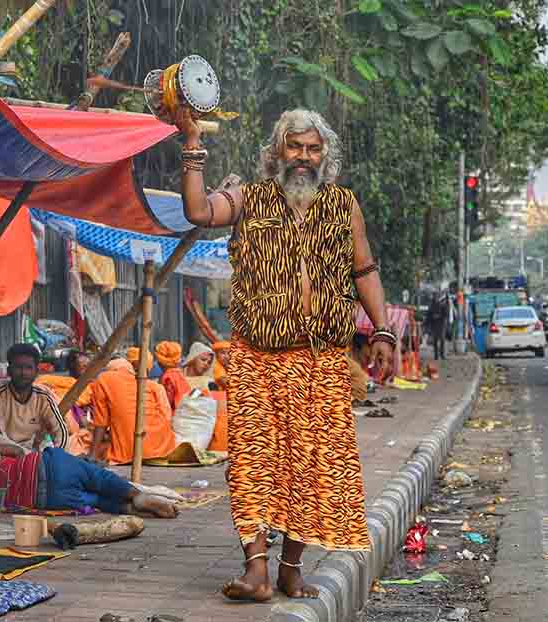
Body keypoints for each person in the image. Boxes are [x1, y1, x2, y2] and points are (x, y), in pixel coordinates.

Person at [177, 107, 394, 601]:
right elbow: (199, 212)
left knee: (313, 467)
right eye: (294, 146)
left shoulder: (343, 205)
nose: (303, 156)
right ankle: (256, 570)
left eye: (313, 148)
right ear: (276, 152)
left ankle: (290, 569)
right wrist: (191, 146)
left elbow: (364, 270)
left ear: (325, 155)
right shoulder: (248, 198)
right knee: (252, 461)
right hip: (257, 358)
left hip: (321, 360)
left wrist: (382, 329)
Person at [0, 445, 179, 519]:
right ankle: (137, 496)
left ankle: (129, 509)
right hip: (47, 465)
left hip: (45, 500)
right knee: (100, 478)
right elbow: (16, 451)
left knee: (98, 502)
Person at [0, 343, 69, 452]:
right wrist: (22, 454)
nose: (23, 373)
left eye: (29, 368)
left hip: (32, 454)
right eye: (18, 367)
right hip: (3, 454)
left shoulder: (44, 397)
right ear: (9, 371)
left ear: (36, 372)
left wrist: (58, 455)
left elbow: (61, 431)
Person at [91, 356, 175, 465]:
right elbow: (166, 415)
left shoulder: (103, 379)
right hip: (164, 448)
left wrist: (92, 454)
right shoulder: (146, 383)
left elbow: (101, 422)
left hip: (132, 452)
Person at [37, 350, 94, 456]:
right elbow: (39, 382)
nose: (88, 369)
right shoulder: (62, 383)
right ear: (73, 366)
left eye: (89, 366)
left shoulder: (92, 384)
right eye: (83, 366)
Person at [156, 341, 191, 411]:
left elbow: (167, 401)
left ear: (160, 362)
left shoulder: (167, 377)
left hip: (175, 414)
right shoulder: (180, 374)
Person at [427, 292, 449, 360]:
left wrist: (438, 316)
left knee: (442, 339)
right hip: (435, 324)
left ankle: (442, 354)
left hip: (441, 323)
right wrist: (430, 320)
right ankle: (436, 355)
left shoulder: (443, 304)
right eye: (434, 296)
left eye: (436, 296)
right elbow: (429, 315)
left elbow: (445, 314)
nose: (435, 298)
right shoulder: (432, 305)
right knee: (435, 340)